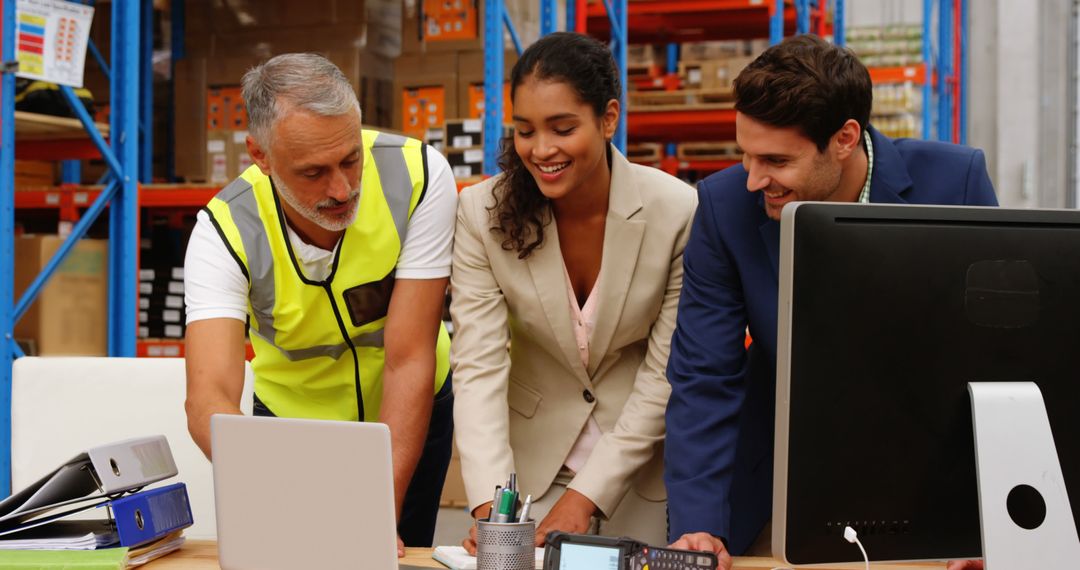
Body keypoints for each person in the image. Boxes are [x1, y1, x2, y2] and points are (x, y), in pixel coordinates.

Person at [664, 34, 998, 563]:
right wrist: (699, 526)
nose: (753, 180)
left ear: (844, 138)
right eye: (744, 155)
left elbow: (994, 363)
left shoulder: (953, 184)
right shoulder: (724, 206)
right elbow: (704, 377)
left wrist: (985, 523)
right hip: (783, 489)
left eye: (775, 160)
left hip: (932, 487)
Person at [182, 53, 458, 555]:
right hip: (291, 434)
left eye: (351, 159)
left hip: (409, 412)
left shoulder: (420, 176)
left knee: (390, 555)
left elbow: (409, 358)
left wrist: (374, 515)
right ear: (260, 156)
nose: (343, 188)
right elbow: (209, 398)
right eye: (313, 172)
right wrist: (278, 497)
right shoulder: (222, 231)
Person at [450, 32, 699, 555]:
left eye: (562, 128)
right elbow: (478, 365)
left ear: (609, 119)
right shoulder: (482, 214)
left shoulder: (677, 212)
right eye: (524, 131)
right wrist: (491, 509)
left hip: (637, 480)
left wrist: (587, 495)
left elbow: (664, 375)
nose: (541, 150)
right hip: (524, 485)